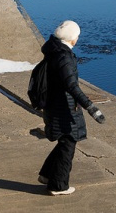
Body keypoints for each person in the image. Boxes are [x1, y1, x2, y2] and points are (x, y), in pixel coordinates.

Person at [38, 20, 105, 195]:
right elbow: (71, 85)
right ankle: (58, 185)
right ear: (72, 39)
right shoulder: (64, 57)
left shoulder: (54, 51)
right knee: (68, 142)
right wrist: (91, 107)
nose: (77, 39)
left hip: (56, 104)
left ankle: (47, 175)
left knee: (65, 140)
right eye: (77, 36)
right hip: (65, 107)